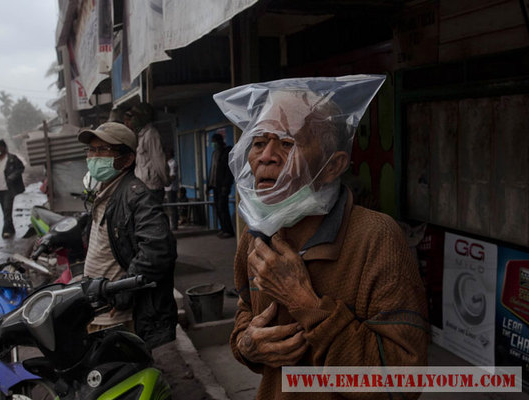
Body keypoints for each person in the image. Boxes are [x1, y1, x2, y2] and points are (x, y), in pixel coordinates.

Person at [213, 76, 428, 400]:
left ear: (332, 166)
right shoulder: (256, 235)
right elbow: (245, 315)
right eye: (258, 142)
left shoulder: (377, 238)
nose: (265, 156)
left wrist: (304, 302)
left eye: (287, 143)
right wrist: (247, 345)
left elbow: (404, 380)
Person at [78, 121, 177, 349]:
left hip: (120, 318)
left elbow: (159, 250)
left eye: (103, 150)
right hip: (100, 310)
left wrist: (122, 293)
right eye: (91, 150)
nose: (94, 156)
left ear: (127, 159)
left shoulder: (137, 197)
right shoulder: (104, 190)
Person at [123, 103, 169, 203]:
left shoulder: (151, 134)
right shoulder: (141, 135)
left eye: (134, 117)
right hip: (143, 186)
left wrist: (166, 181)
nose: (131, 120)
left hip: (152, 187)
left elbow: (158, 160)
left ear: (142, 117)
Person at [207, 133, 235, 238]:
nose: (213, 144)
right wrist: (209, 186)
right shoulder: (215, 153)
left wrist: (226, 185)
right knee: (218, 209)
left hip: (223, 186)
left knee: (223, 208)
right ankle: (223, 229)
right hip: (215, 186)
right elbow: (213, 170)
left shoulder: (226, 152)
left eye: (214, 141)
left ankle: (228, 231)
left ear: (219, 141)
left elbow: (229, 171)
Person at [164, 149, 178, 230]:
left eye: (167, 153)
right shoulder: (167, 163)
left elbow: (173, 176)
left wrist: (164, 179)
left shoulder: (173, 163)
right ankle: (171, 224)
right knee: (169, 208)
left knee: (172, 208)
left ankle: (174, 225)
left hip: (171, 188)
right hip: (167, 188)